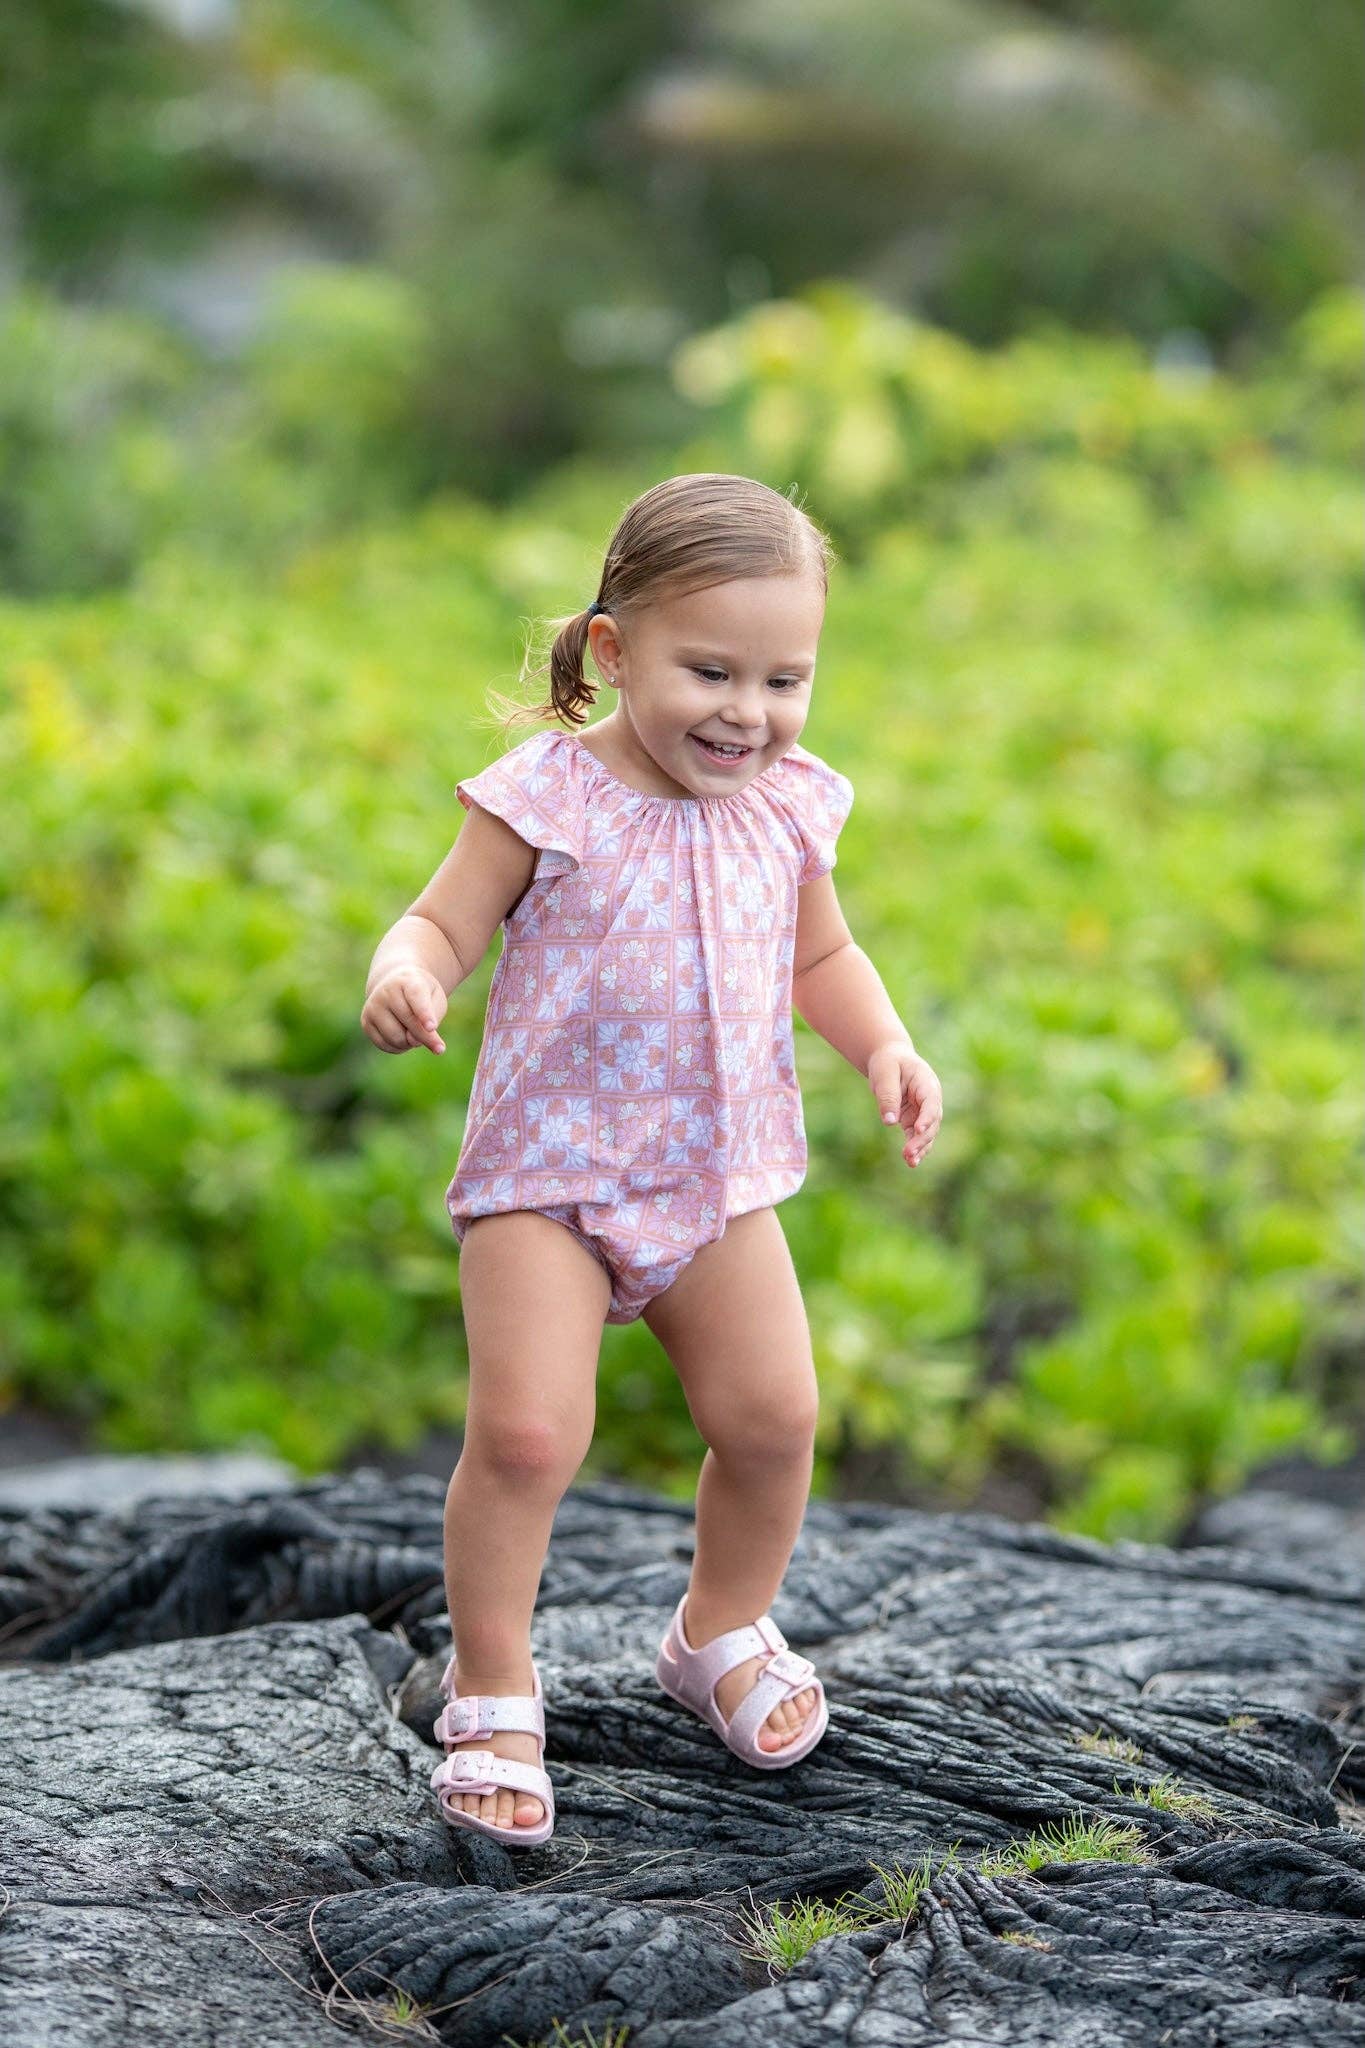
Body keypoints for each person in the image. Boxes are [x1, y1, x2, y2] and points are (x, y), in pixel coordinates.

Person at [361, 472, 943, 1847]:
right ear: (615, 650)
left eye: (785, 679)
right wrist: (407, 971)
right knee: (524, 1437)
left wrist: (884, 1044)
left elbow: (821, 956)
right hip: (547, 1181)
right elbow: (440, 922)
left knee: (773, 1420)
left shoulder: (789, 805)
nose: (748, 712)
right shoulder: (544, 795)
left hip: (715, 1179)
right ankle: (495, 1682)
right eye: (710, 672)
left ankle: (717, 1628)